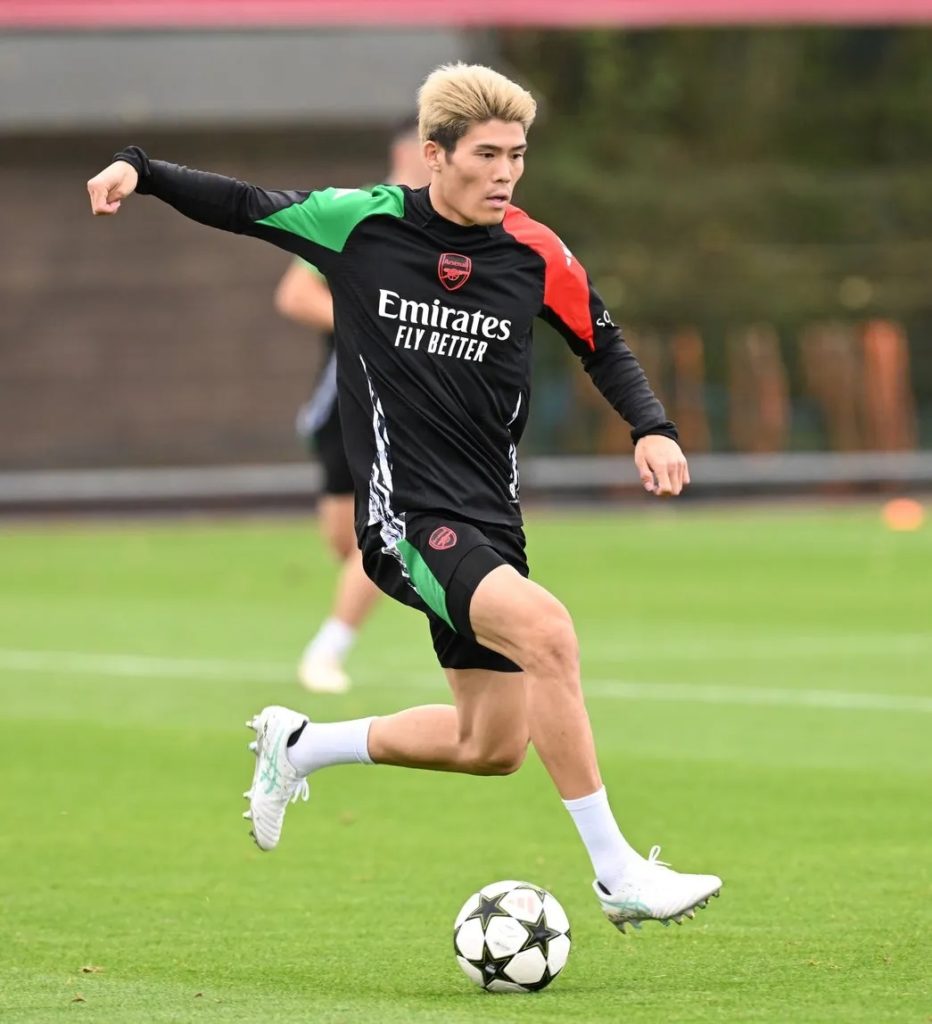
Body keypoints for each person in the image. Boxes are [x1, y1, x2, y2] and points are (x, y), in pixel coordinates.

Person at [87, 63, 722, 932]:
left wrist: (653, 427)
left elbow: (600, 342)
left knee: (490, 745)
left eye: (519, 155)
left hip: (491, 518)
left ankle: (302, 745)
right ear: (435, 155)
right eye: (488, 154)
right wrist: (142, 168)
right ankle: (617, 874)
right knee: (549, 634)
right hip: (404, 518)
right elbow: (243, 204)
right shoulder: (364, 224)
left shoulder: (536, 251)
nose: (506, 173)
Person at [274, 120, 431, 694]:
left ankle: (327, 649)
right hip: (342, 398)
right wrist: (371, 318)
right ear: (409, 149)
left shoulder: (453, 226)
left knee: (387, 534)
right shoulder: (359, 212)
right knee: (349, 544)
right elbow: (294, 294)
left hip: (406, 406)